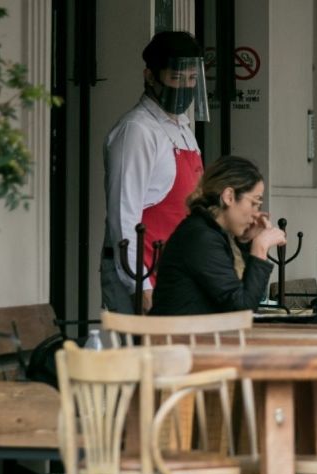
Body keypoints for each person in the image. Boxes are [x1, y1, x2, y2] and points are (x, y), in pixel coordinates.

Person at [100, 31, 211, 314]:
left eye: (191, 79)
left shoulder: (183, 131)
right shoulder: (137, 130)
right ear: (151, 76)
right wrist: (141, 286)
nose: (185, 87)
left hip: (177, 274)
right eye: (176, 78)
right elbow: (124, 215)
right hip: (143, 273)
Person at [149, 156, 286, 315]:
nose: (256, 214)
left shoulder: (206, 231)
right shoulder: (201, 238)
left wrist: (245, 242)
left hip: (190, 336)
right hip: (175, 338)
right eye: (254, 203)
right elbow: (241, 309)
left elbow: (239, 295)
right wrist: (260, 249)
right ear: (229, 197)